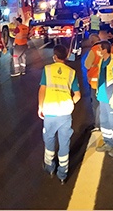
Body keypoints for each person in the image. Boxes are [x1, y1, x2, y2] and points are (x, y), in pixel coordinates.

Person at [38, 44, 81, 184]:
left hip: (50, 111)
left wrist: (40, 107)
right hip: (65, 112)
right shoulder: (71, 72)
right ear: (67, 56)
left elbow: (42, 90)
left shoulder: (47, 69)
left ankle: (50, 167)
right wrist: (69, 104)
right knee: (64, 142)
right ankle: (63, 174)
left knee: (49, 139)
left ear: (54, 57)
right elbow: (78, 96)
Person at [94, 41, 113, 157]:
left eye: (99, 49)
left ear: (104, 50)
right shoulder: (102, 60)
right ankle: (108, 142)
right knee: (105, 121)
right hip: (103, 96)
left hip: (111, 97)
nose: (97, 51)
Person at [84, 34, 104, 131]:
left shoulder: (93, 50)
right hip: (106, 80)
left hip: (95, 82)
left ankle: (98, 125)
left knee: (96, 104)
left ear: (92, 42)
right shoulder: (107, 48)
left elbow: (87, 65)